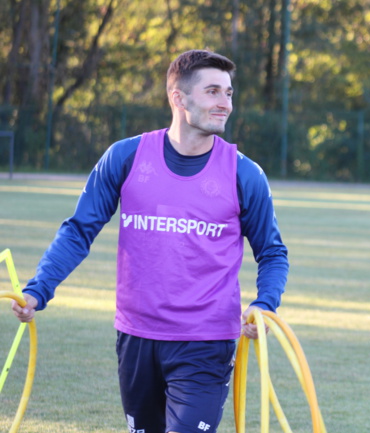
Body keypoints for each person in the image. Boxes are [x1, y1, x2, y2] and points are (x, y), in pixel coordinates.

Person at [12, 49, 289, 433]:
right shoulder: (124, 157)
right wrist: (38, 290)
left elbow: (272, 253)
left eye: (228, 93)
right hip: (136, 336)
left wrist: (265, 303)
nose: (225, 103)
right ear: (178, 97)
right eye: (213, 92)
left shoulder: (245, 174)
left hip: (206, 341)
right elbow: (79, 230)